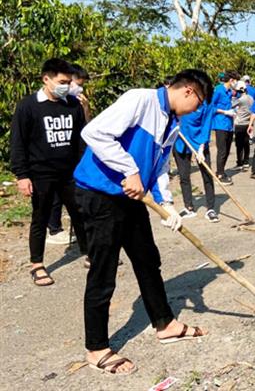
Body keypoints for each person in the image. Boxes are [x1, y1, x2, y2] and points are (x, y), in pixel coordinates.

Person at [73, 69, 212, 375]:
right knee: (104, 270)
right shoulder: (141, 100)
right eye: (199, 103)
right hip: (100, 194)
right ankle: (96, 348)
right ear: (189, 91)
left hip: (132, 198)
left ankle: (165, 323)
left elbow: (160, 167)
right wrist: (128, 170)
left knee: (148, 260)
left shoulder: (172, 122)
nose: (197, 110)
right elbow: (94, 133)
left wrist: (167, 205)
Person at [10, 58, 89, 286]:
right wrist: (21, 175)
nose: (66, 85)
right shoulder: (28, 106)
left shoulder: (72, 104)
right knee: (40, 217)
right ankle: (37, 264)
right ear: (46, 79)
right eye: (62, 81)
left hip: (70, 173)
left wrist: (82, 166)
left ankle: (89, 254)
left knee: (80, 213)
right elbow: (18, 142)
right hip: (40, 174)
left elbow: (80, 139)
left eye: (68, 81)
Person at [47, 63, 92, 245]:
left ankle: (83, 239)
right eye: (73, 83)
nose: (75, 88)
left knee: (74, 199)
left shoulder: (76, 103)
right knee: (54, 197)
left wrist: (86, 109)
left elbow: (87, 129)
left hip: (72, 157)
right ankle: (54, 229)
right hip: (52, 159)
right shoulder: (47, 102)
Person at [173, 97, 218, 223]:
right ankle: (189, 207)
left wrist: (201, 147)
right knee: (184, 176)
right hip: (181, 140)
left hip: (199, 141)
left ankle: (210, 209)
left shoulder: (207, 102)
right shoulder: (181, 98)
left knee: (207, 174)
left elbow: (207, 125)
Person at [210, 71, 239, 185]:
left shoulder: (228, 92)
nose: (236, 84)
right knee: (222, 150)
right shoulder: (219, 90)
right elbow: (210, 106)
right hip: (220, 124)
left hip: (229, 125)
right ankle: (219, 174)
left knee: (227, 150)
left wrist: (232, 111)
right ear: (231, 80)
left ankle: (221, 170)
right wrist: (225, 112)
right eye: (236, 81)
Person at [232, 80, 254, 170]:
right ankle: (246, 162)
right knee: (246, 144)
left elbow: (231, 106)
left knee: (239, 145)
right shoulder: (251, 98)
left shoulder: (240, 100)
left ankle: (239, 163)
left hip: (240, 124)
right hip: (248, 123)